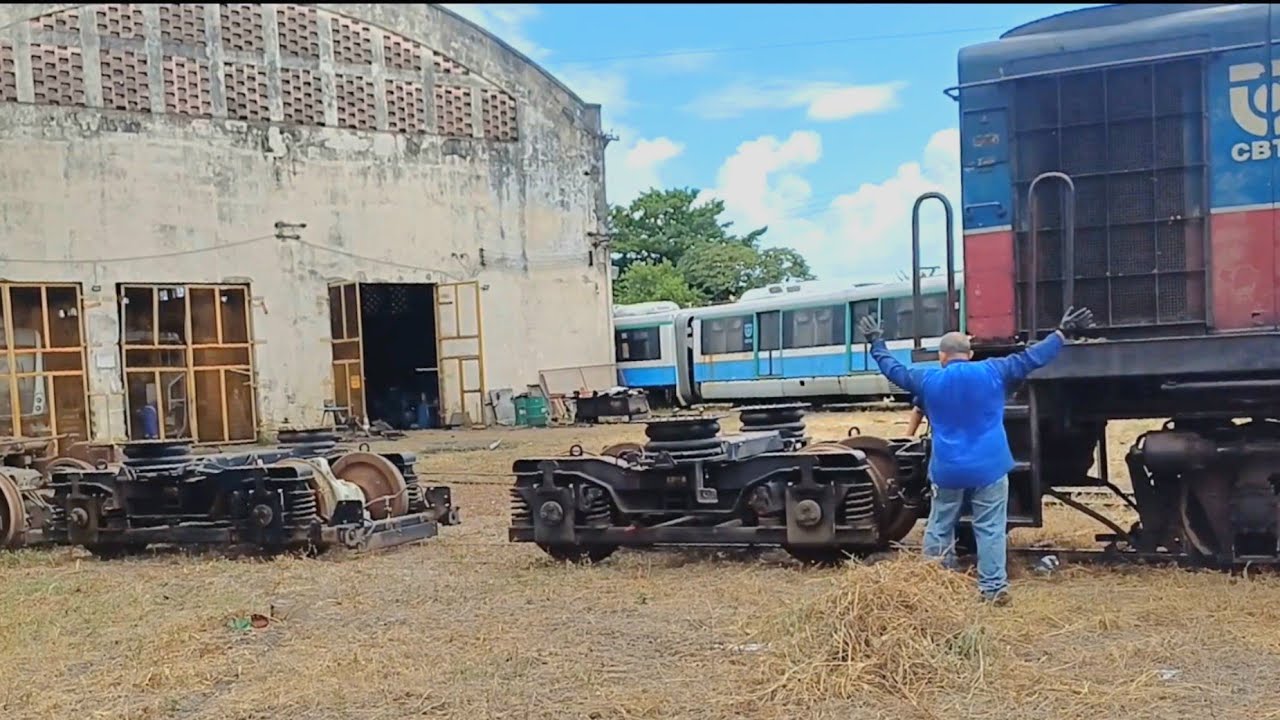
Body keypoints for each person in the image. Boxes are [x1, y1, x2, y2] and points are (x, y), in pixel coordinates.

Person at [857, 306, 1095, 605]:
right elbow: (1032, 358)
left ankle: (935, 586)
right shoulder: (993, 371)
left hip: (948, 470)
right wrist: (1061, 334)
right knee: (991, 529)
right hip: (990, 468)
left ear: (942, 357)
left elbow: (894, 370)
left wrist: (876, 343)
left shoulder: (928, 380)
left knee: (940, 525)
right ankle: (993, 590)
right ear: (969, 354)